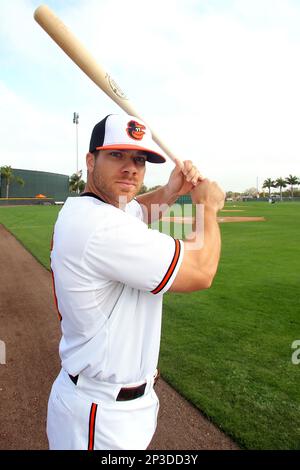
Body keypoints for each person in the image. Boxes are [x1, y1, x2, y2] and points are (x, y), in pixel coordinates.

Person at [47, 113, 225, 450]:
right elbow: (202, 270)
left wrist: (174, 190)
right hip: (99, 417)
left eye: (140, 159)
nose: (131, 168)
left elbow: (138, 209)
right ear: (90, 160)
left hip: (110, 404)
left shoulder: (92, 211)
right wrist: (207, 207)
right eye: (117, 155)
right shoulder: (101, 227)